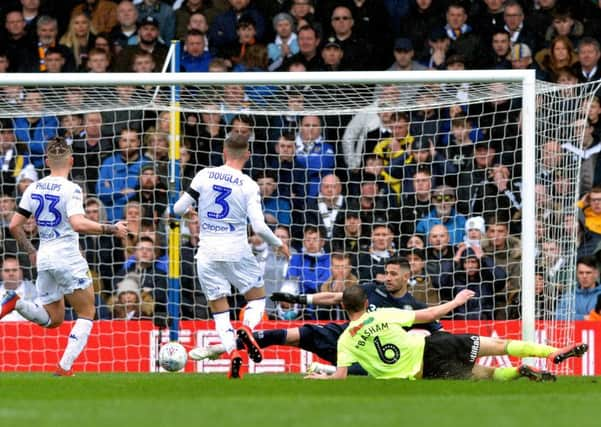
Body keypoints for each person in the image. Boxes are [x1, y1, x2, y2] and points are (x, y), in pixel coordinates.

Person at [0, 138, 127, 375]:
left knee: (54, 319)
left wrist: (31, 251)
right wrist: (111, 228)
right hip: (67, 256)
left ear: (47, 161)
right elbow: (78, 224)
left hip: (44, 257)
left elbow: (14, 225)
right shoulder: (72, 189)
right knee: (87, 312)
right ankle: (64, 366)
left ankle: (16, 302)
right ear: (71, 160)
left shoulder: (33, 187)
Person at [189, 257, 444, 375]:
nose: (387, 278)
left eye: (393, 274)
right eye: (386, 273)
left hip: (368, 356)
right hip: (342, 337)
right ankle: (221, 347)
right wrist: (301, 299)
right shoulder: (370, 289)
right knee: (287, 334)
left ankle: (328, 370)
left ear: (406, 276)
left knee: (373, 369)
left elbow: (439, 333)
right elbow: (335, 298)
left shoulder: (413, 308)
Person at [172, 133, 290, 379]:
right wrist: (279, 243)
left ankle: (232, 353)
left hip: (207, 252)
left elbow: (177, 209)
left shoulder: (204, 175)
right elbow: (258, 227)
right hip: (237, 250)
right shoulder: (248, 184)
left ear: (224, 153)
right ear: (247, 154)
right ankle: (245, 328)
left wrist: (189, 215)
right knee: (257, 301)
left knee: (220, 311)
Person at [305, 284, 588, 380]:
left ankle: (517, 372)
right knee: (501, 345)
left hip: (425, 372)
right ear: (366, 303)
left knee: (486, 376)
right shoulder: (382, 313)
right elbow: (429, 315)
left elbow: (341, 377)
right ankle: (553, 352)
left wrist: (321, 377)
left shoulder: (345, 341)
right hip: (435, 346)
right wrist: (457, 301)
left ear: (344, 307)